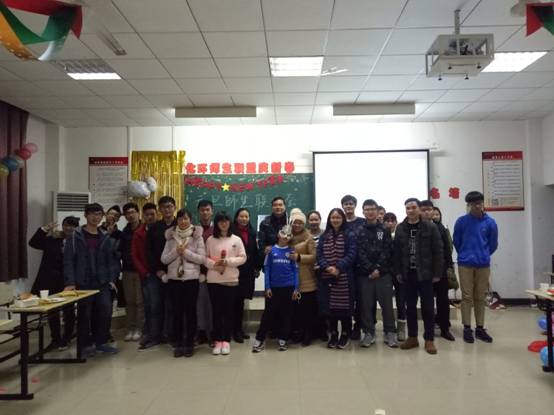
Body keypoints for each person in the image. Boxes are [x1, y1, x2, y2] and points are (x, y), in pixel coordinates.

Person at [64, 203, 121, 357]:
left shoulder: (105, 236)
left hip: (102, 282)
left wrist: (112, 279)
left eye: (98, 214)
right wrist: (70, 282)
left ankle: (101, 342)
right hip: (83, 282)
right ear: (85, 215)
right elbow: (68, 260)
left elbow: (111, 260)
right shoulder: (75, 236)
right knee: (84, 315)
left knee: (105, 311)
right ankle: (85, 345)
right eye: (92, 214)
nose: (96, 217)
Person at [394, 198, 443, 355]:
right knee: (410, 308)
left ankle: (429, 339)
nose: (410, 210)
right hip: (408, 274)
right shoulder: (401, 228)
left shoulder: (430, 227)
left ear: (419, 209)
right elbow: (397, 253)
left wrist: (437, 272)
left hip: (426, 274)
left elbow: (438, 251)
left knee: (428, 308)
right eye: (408, 208)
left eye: (413, 207)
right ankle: (412, 337)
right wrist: (398, 272)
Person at [453, 191, 498, 344]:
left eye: (479, 203)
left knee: (480, 297)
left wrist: (483, 254)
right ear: (469, 205)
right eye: (473, 204)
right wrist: (466, 254)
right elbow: (457, 241)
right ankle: (467, 328)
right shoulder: (461, 222)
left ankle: (480, 328)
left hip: (483, 264)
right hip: (465, 263)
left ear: (483, 203)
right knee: (467, 297)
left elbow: (493, 244)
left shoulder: (490, 223)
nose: (476, 206)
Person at [29, 216, 79, 351]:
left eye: (72, 226)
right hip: (50, 280)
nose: (68, 228)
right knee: (52, 311)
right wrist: (44, 229)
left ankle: (67, 337)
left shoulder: (78, 242)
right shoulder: (53, 239)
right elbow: (33, 243)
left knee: (69, 311)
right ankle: (55, 338)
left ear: (76, 228)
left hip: (68, 281)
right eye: (66, 225)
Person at [161, 209, 205, 358]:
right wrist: (176, 252)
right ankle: (179, 343)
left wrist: (185, 253)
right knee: (177, 313)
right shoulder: (170, 237)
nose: (183, 221)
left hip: (191, 280)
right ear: (177, 220)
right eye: (180, 219)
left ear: (190, 220)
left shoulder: (197, 236)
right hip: (174, 280)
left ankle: (190, 343)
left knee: (191, 312)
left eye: (186, 218)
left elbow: (201, 259)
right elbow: (164, 259)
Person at [355, 199, 398, 348]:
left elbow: (387, 251)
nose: (370, 212)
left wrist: (378, 269)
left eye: (372, 209)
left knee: (387, 305)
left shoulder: (384, 229)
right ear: (363, 212)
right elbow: (359, 252)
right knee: (366, 305)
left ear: (377, 211)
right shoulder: (359, 230)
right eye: (367, 209)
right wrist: (370, 269)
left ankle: (389, 332)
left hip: (383, 274)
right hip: (365, 275)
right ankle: (368, 333)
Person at [252, 225, 300, 352]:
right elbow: (267, 269)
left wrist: (296, 288)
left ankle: (283, 339)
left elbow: (295, 271)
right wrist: (267, 287)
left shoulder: (291, 252)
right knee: (268, 314)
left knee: (286, 314)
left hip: (289, 288)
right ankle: (259, 339)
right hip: (273, 288)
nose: (285, 237)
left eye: (288, 235)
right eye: (283, 233)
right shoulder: (271, 251)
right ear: (278, 235)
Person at [205, 211, 247, 356]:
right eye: (220, 221)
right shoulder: (210, 239)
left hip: (231, 280)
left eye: (226, 221)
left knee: (229, 312)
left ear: (230, 222)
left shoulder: (236, 239)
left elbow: (243, 258)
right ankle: (217, 340)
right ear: (216, 223)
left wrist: (228, 261)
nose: (223, 223)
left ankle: (226, 341)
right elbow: (205, 258)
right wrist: (214, 265)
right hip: (214, 281)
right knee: (216, 312)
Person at [317, 208, 357, 349]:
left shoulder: (349, 234)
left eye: (338, 217)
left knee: (345, 309)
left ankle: (345, 334)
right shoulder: (324, 235)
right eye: (333, 217)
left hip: (344, 277)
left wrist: (338, 267)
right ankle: (334, 335)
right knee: (330, 309)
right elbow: (319, 254)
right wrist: (327, 267)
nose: (335, 220)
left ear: (343, 219)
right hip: (327, 277)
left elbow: (352, 254)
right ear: (329, 219)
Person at [140, 196, 176, 350]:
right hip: (157, 273)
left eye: (169, 206)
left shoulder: (180, 225)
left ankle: (171, 335)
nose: (167, 210)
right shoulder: (154, 228)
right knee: (155, 305)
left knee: (172, 306)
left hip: (175, 273)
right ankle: (155, 336)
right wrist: (158, 270)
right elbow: (149, 251)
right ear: (160, 210)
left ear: (174, 207)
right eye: (164, 207)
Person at [421, 201, 455, 341]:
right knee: (427, 302)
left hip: (440, 271)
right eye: (424, 210)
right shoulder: (418, 227)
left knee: (443, 301)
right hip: (424, 272)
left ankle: (445, 329)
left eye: (430, 210)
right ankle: (428, 329)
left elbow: (447, 249)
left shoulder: (440, 228)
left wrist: (449, 267)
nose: (428, 212)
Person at [288, 208, 318, 346]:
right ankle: (297, 333)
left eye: (300, 222)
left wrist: (299, 257)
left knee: (307, 309)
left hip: (306, 277)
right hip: (290, 277)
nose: (297, 225)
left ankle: (308, 334)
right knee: (295, 310)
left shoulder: (308, 237)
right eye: (295, 222)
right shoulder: (287, 235)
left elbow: (314, 257)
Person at [231, 208, 260, 343]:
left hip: (247, 271)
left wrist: (257, 267)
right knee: (234, 302)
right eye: (241, 216)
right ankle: (234, 330)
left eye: (246, 216)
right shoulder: (231, 232)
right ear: (236, 218)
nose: (244, 219)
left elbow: (254, 251)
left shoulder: (252, 232)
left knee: (240, 302)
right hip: (234, 270)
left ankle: (239, 329)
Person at [131, 202, 158, 343]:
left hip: (162, 274)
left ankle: (162, 332)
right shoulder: (138, 233)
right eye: (147, 215)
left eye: (152, 214)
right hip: (147, 275)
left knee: (162, 305)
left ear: (157, 214)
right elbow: (134, 255)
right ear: (143, 216)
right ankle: (150, 333)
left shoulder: (163, 229)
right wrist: (144, 272)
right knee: (149, 305)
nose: (150, 217)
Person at [340, 195, 364, 340]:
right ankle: (346, 327)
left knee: (360, 299)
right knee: (346, 299)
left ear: (355, 205)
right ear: (342, 206)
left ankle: (358, 327)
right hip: (344, 266)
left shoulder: (362, 222)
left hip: (360, 267)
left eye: (351, 204)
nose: (348, 206)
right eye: (346, 204)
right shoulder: (340, 222)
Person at [119, 202, 144, 342]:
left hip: (140, 271)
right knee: (129, 302)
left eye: (133, 212)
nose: (131, 215)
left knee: (140, 302)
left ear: (138, 213)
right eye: (127, 213)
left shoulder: (144, 229)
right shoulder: (124, 232)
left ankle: (139, 329)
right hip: (127, 270)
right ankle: (130, 328)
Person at [383, 211, 405, 340]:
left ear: (396, 222)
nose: (390, 223)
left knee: (401, 301)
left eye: (392, 221)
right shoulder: (380, 235)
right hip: (386, 273)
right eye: (387, 221)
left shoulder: (401, 234)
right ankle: (389, 327)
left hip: (399, 273)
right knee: (387, 302)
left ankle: (401, 329)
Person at [197, 199, 214, 346]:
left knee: (214, 305)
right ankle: (201, 332)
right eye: (202, 210)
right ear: (198, 212)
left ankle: (213, 333)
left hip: (215, 274)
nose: (205, 212)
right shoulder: (194, 230)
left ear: (212, 211)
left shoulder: (218, 229)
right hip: (198, 274)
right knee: (200, 305)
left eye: (207, 209)